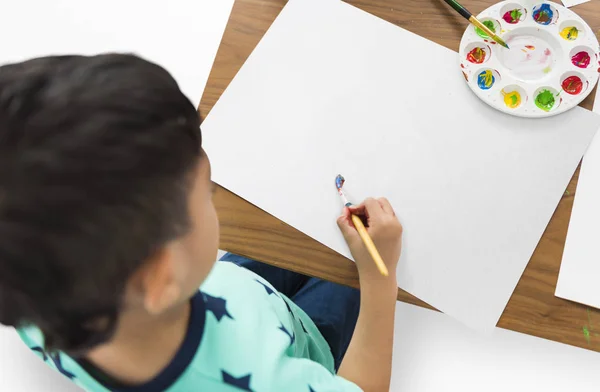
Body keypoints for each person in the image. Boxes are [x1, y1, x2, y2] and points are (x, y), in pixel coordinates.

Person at [0, 54, 403, 392]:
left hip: (238, 295)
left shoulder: (40, 310)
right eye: (207, 195)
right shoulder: (262, 378)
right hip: (304, 340)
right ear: (159, 275)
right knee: (348, 271)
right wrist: (380, 278)